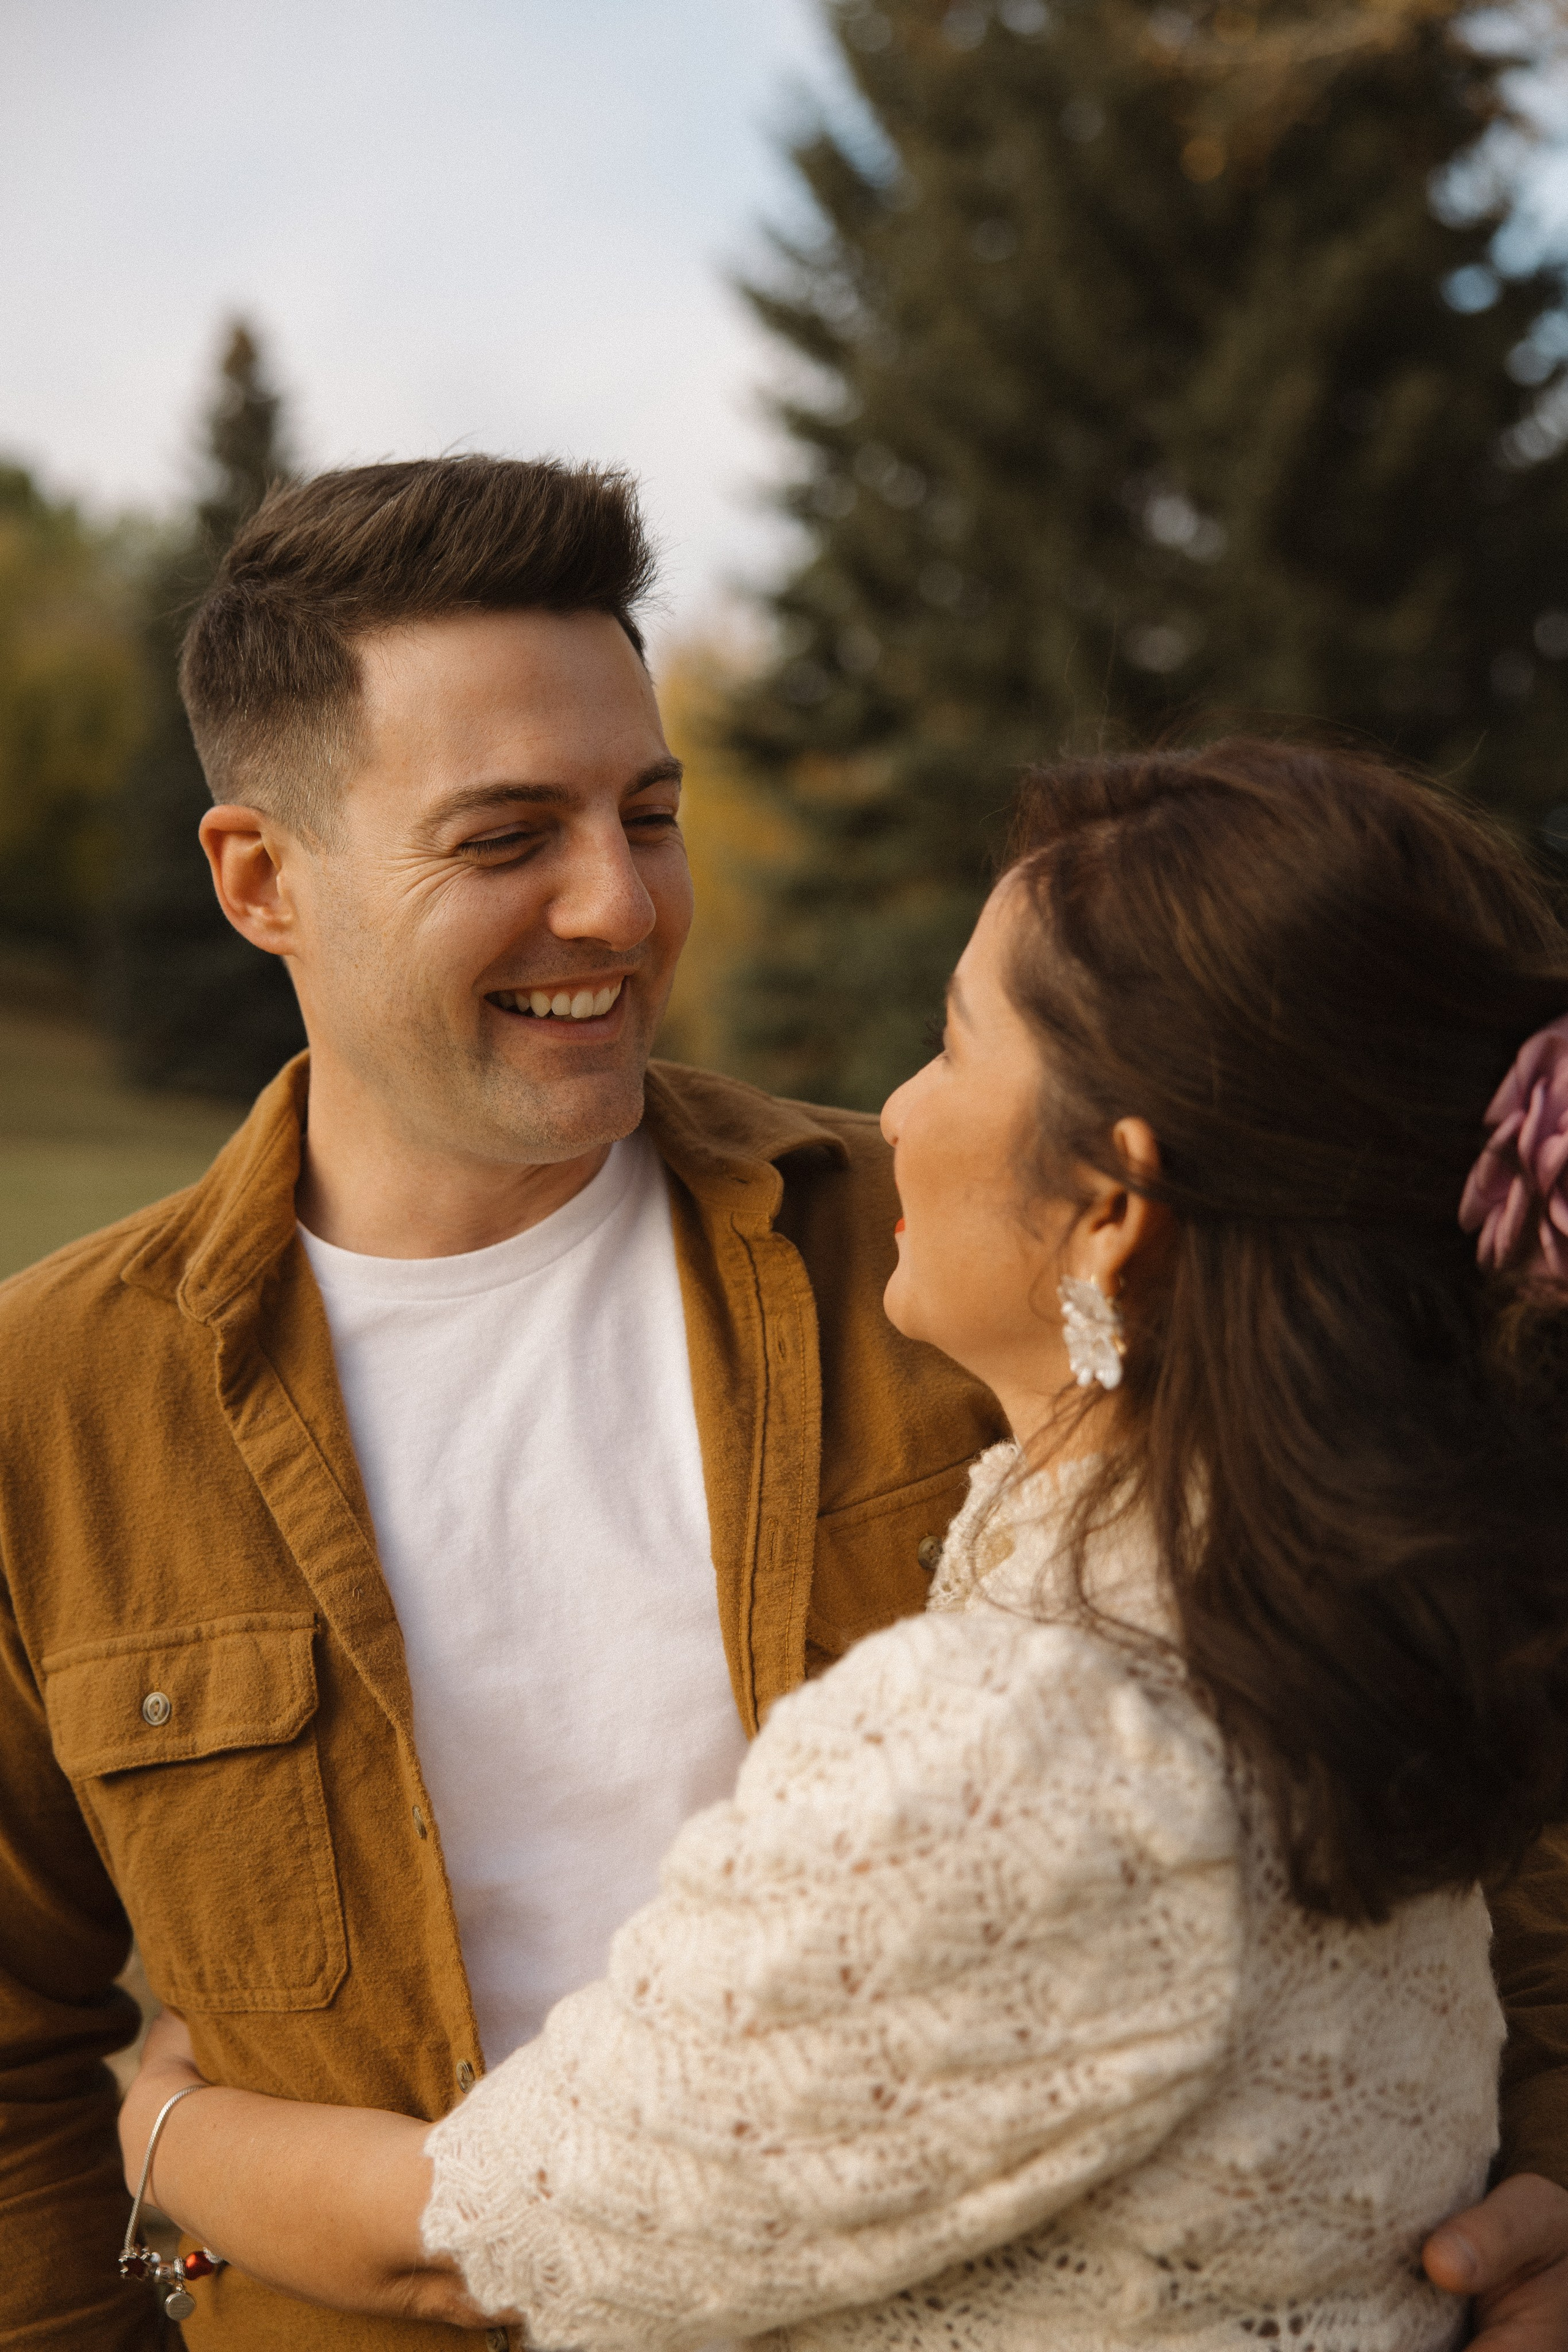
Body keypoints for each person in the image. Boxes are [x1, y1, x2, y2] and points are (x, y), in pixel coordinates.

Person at [0, 458, 1558, 2348]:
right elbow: (15, 2056)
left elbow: (1433, 1698)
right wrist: (147, 2283)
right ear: (262, 879)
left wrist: (1538, 2163)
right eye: (507, 839)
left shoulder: (955, 1263)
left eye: (647, 812)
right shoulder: (54, 1402)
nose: (620, 903)